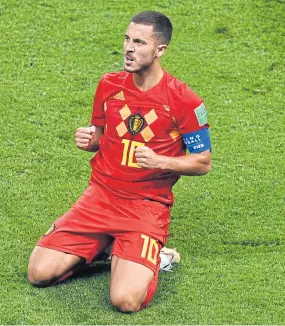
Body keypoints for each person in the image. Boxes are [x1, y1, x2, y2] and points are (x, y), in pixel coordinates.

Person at [28, 10, 212, 312]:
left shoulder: (184, 101)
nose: (129, 48)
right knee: (38, 275)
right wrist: (90, 140)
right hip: (98, 199)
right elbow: (101, 136)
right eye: (127, 39)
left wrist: (160, 161)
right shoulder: (109, 85)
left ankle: (158, 257)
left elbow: (202, 162)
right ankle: (108, 247)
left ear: (160, 50)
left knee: (125, 301)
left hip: (145, 207)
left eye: (139, 42)